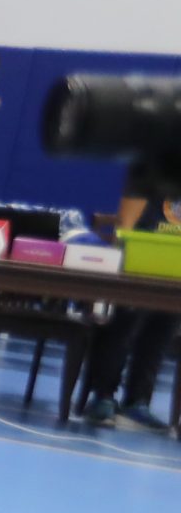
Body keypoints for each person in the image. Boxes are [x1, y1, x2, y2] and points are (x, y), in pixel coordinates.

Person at [79, 162, 180, 428]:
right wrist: (122, 258)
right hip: (138, 260)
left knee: (162, 329)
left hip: (176, 267)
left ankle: (138, 401)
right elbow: (125, 224)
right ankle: (103, 396)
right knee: (122, 326)